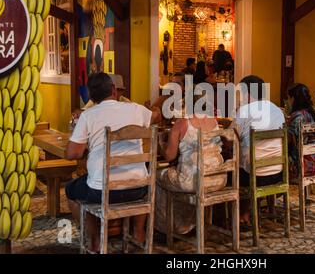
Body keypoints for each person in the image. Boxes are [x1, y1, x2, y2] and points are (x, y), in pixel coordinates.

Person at [65, 73, 161, 252]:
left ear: (91, 97)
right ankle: (138, 233)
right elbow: (156, 116)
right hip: (138, 189)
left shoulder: (88, 115)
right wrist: (154, 110)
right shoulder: (135, 109)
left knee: (72, 189)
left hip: (102, 192)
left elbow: (73, 153)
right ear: (114, 90)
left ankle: (95, 239)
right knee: (141, 174)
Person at [155, 95, 225, 234]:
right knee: (185, 175)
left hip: (193, 182)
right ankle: (191, 223)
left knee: (157, 176)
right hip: (218, 179)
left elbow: (170, 156)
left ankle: (169, 228)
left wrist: (161, 145)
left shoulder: (182, 123)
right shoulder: (214, 122)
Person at [231, 75, 285, 224]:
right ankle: (247, 212)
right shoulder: (277, 110)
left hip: (255, 176)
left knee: (228, 170)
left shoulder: (244, 110)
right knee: (251, 161)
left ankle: (236, 215)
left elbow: (231, 137)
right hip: (277, 173)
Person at [287, 84, 315, 179]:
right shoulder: (312, 114)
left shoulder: (297, 117)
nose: (288, 101)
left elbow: (288, 141)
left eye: (289, 98)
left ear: (293, 99)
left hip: (302, 167)